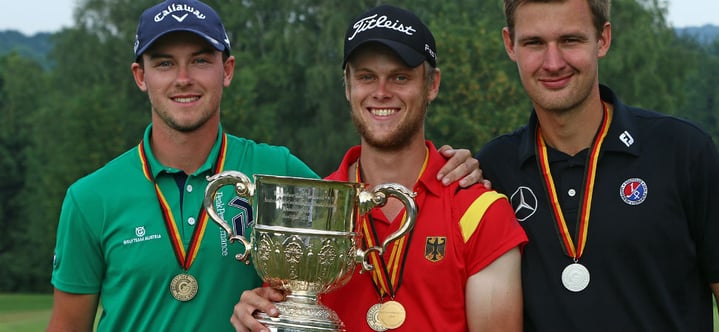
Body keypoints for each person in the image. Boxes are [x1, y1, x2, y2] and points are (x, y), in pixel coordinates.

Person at [45, 1, 484, 331]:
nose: (183, 78)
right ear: (141, 76)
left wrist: (455, 167)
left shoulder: (276, 168)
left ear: (227, 70)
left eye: (200, 60)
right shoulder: (90, 198)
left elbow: (368, 222)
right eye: (164, 64)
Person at [475, 0, 719, 331]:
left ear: (603, 39)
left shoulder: (682, 150)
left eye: (570, 41)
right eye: (534, 43)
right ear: (509, 44)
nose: (553, 62)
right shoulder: (492, 169)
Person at [230, 5, 528, 332]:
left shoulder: (478, 211)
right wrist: (261, 317)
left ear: (432, 85)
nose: (381, 92)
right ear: (347, 86)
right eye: (366, 77)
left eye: (400, 77)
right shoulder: (311, 211)